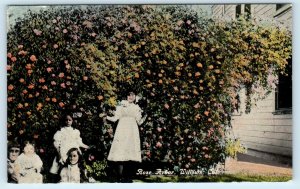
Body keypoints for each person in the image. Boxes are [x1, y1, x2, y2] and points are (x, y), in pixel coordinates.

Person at [104, 91, 146, 182]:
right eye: (128, 95)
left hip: (132, 131)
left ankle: (128, 177)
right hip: (122, 129)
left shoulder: (136, 107)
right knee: (121, 151)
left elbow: (139, 121)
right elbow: (115, 118)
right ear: (125, 96)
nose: (130, 97)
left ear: (135, 97)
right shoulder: (120, 106)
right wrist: (106, 117)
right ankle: (120, 177)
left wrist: (145, 116)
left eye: (132, 95)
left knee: (130, 152)